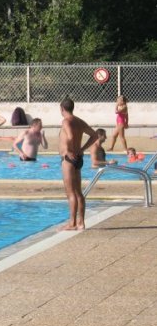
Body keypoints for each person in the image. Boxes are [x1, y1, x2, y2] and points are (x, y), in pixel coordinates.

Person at [59, 98, 99, 231]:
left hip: (69, 160)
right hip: (78, 158)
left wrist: (67, 150)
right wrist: (82, 149)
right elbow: (94, 135)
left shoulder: (66, 121)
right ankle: (81, 222)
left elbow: (70, 136)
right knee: (78, 193)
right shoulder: (79, 121)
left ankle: (72, 223)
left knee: (70, 193)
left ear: (62, 109)